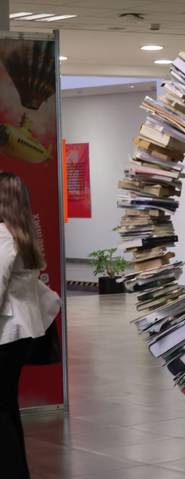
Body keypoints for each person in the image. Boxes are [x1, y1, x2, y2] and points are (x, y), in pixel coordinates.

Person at [0, 173, 61, 479]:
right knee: (7, 406)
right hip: (23, 335)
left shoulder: (2, 235)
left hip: (6, 334)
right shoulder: (23, 235)